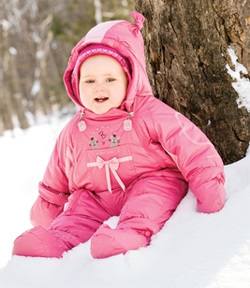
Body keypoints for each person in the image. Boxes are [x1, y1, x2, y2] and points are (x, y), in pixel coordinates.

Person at [12, 11, 226, 259]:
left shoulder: (149, 113)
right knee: (75, 216)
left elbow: (191, 146)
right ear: (76, 83)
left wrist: (208, 183)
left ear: (129, 80)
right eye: (89, 81)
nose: (99, 87)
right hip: (96, 197)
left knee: (147, 205)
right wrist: (45, 212)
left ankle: (129, 236)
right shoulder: (74, 128)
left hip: (150, 181)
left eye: (110, 79)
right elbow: (56, 174)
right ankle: (52, 245)